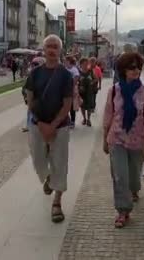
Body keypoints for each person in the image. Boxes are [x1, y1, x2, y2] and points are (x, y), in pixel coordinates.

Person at [103, 52, 144, 228]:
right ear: (123, 70)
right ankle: (123, 211)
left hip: (137, 141)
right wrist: (105, 139)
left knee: (133, 178)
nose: (136, 70)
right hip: (116, 139)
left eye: (138, 67)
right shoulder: (114, 91)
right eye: (132, 67)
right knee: (120, 176)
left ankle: (134, 189)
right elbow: (108, 116)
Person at [24, 35, 73, 223]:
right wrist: (40, 123)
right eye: (49, 46)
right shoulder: (35, 73)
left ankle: (57, 202)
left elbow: (67, 104)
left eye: (55, 46)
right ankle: (48, 177)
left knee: (60, 162)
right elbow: (30, 100)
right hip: (38, 124)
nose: (52, 50)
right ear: (44, 50)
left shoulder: (65, 75)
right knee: (37, 159)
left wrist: (53, 126)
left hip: (59, 126)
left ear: (60, 50)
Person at [78, 58, 98, 127]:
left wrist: (92, 82)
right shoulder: (79, 72)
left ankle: (89, 119)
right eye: (84, 64)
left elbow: (96, 79)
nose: (85, 65)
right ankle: (84, 118)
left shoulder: (91, 71)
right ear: (80, 65)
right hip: (82, 91)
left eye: (87, 64)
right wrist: (79, 85)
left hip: (89, 91)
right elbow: (76, 81)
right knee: (82, 106)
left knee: (89, 106)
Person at [65, 56, 81, 129]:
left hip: (72, 89)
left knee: (72, 106)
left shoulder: (74, 70)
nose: (65, 62)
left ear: (69, 61)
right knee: (65, 105)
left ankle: (72, 121)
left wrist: (72, 88)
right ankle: (66, 120)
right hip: (65, 89)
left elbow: (76, 79)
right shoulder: (65, 69)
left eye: (66, 61)